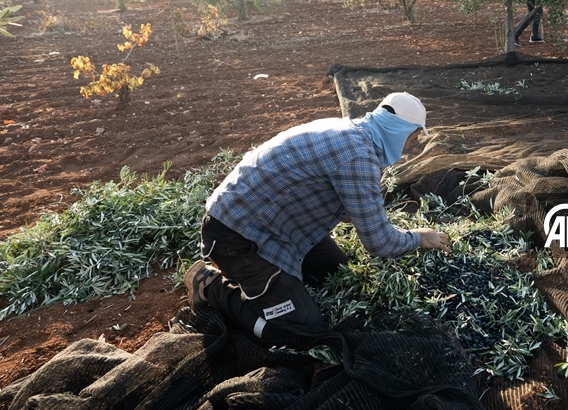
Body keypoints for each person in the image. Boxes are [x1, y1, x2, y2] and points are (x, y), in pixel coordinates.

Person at [184, 92, 451, 341]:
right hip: (238, 233)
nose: (408, 148)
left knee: (332, 269)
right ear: (399, 131)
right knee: (299, 331)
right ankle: (210, 285)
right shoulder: (358, 156)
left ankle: (273, 280)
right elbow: (379, 244)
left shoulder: (352, 132)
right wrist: (420, 237)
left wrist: (368, 211)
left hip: (275, 222)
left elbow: (343, 203)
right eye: (412, 140)